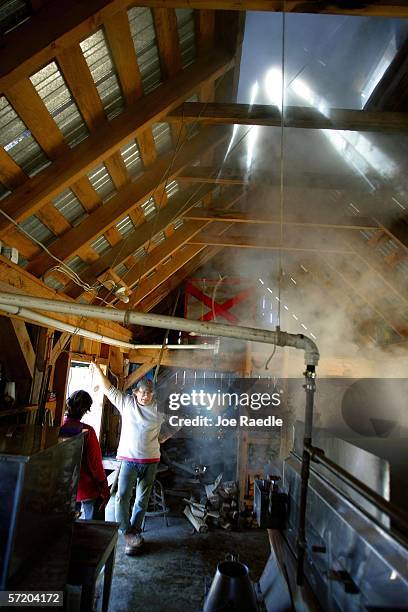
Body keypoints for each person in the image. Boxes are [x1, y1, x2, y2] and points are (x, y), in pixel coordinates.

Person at [90, 362, 173, 555]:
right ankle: (126, 531)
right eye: (142, 392)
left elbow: (177, 421)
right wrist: (97, 369)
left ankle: (135, 530)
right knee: (122, 497)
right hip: (128, 460)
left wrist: (165, 435)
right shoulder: (126, 403)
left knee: (142, 499)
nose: (146, 396)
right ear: (135, 392)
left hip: (151, 461)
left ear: (153, 394)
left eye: (149, 393)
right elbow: (109, 389)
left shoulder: (159, 410)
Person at [60, 389, 110, 520]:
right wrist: (104, 489)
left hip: (63, 489)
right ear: (85, 410)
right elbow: (95, 465)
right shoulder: (87, 431)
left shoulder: (57, 428)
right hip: (86, 489)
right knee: (94, 529)